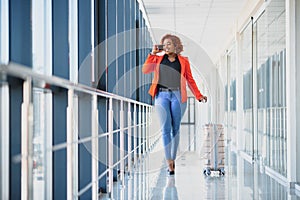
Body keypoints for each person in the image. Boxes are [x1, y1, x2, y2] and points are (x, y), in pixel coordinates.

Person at [142, 34, 207, 175]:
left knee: (175, 128)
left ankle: (173, 158)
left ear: (176, 46)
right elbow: (146, 70)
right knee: (165, 128)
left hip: (177, 95)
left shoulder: (183, 61)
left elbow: (190, 80)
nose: (166, 47)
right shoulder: (158, 59)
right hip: (161, 96)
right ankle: (169, 161)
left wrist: (198, 95)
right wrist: (152, 54)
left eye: (169, 44)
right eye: (164, 45)